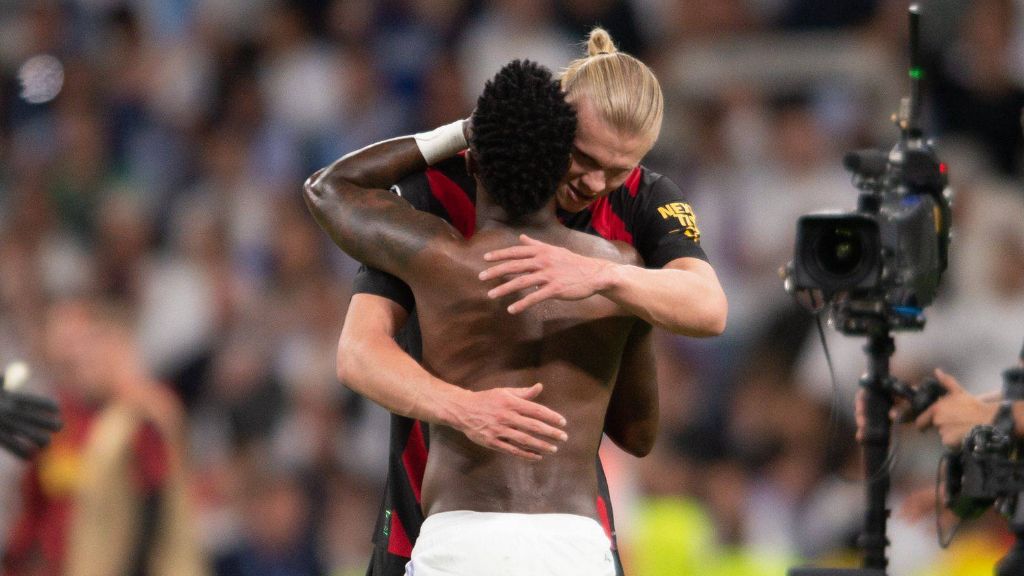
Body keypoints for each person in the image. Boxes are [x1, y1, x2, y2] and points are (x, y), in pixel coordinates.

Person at [334, 27, 727, 576]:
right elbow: (359, 351)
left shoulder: (642, 203)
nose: (595, 182)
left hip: (544, 520)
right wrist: (462, 406)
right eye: (584, 156)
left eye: (619, 170)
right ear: (555, 123)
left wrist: (595, 277)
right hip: (431, 506)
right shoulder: (438, 195)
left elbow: (709, 306)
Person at [3, 299, 209, 576]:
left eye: (89, 344)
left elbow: (156, 512)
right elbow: (34, 508)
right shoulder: (55, 417)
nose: (80, 354)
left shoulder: (141, 417)